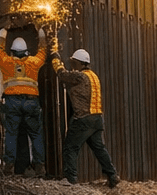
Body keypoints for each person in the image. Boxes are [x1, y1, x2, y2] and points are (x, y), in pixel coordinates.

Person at [50, 47, 120, 187]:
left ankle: (71, 180)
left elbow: (63, 75)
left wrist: (56, 60)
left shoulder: (80, 76)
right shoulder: (93, 76)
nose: (73, 65)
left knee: (70, 147)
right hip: (97, 119)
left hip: (83, 119)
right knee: (99, 148)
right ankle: (112, 175)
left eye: (74, 62)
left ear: (80, 63)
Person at [0, 26, 49, 177]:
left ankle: (9, 168)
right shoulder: (33, 62)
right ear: (26, 51)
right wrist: (41, 32)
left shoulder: (6, 62)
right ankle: (40, 168)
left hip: (12, 102)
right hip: (31, 102)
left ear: (12, 51)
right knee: (36, 135)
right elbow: (43, 52)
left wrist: (3, 31)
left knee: (11, 134)